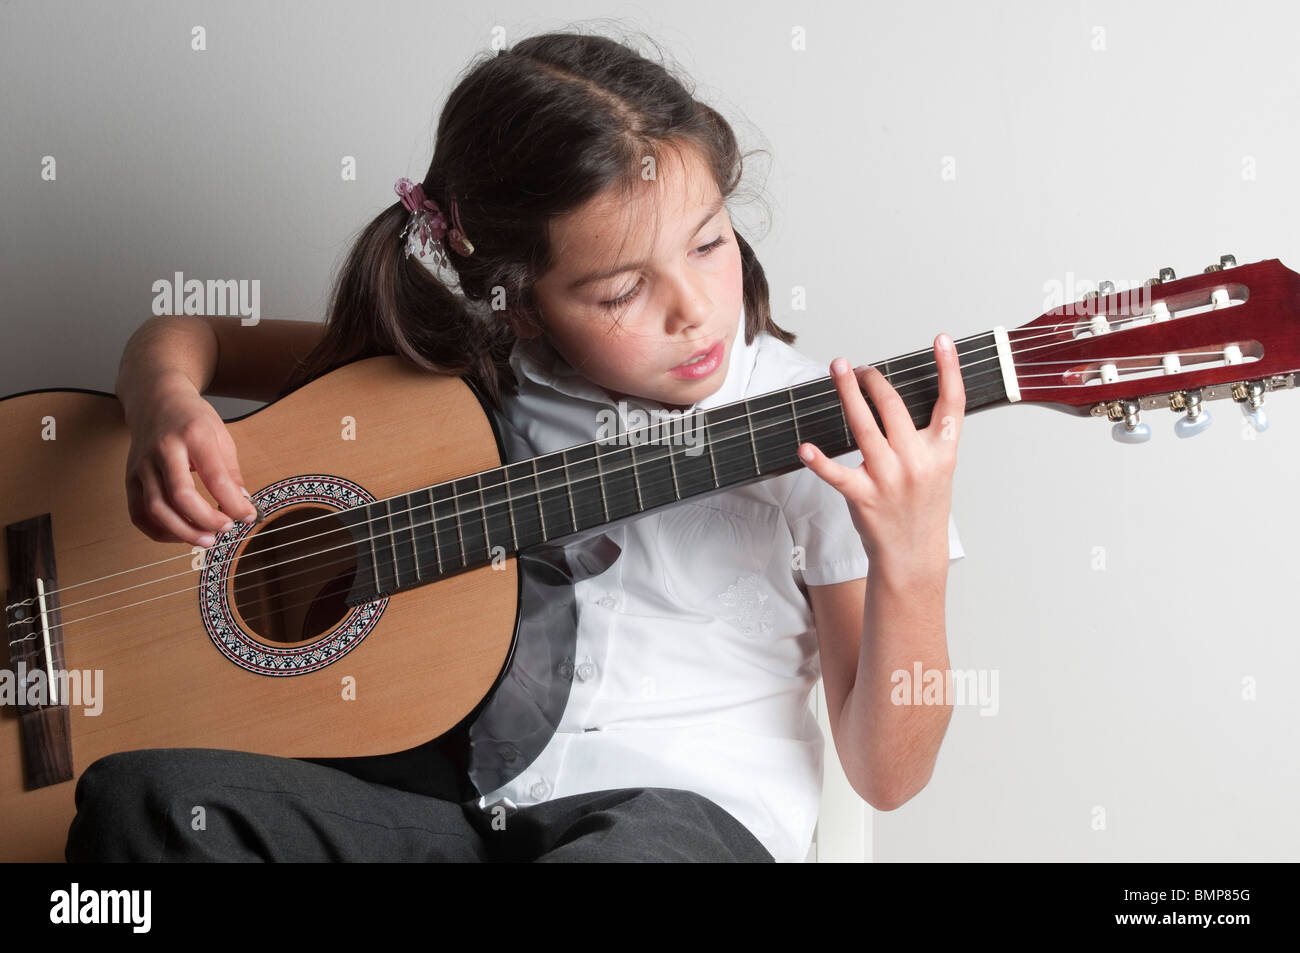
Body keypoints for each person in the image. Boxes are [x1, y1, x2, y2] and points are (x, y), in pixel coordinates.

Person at [65, 28, 966, 864]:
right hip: (459, 814)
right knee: (138, 805)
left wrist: (913, 558)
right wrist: (166, 405)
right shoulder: (459, 377)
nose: (692, 308)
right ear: (523, 301)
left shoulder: (825, 432)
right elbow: (191, 336)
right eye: (621, 293)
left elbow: (888, 775)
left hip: (680, 817)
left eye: (708, 244)